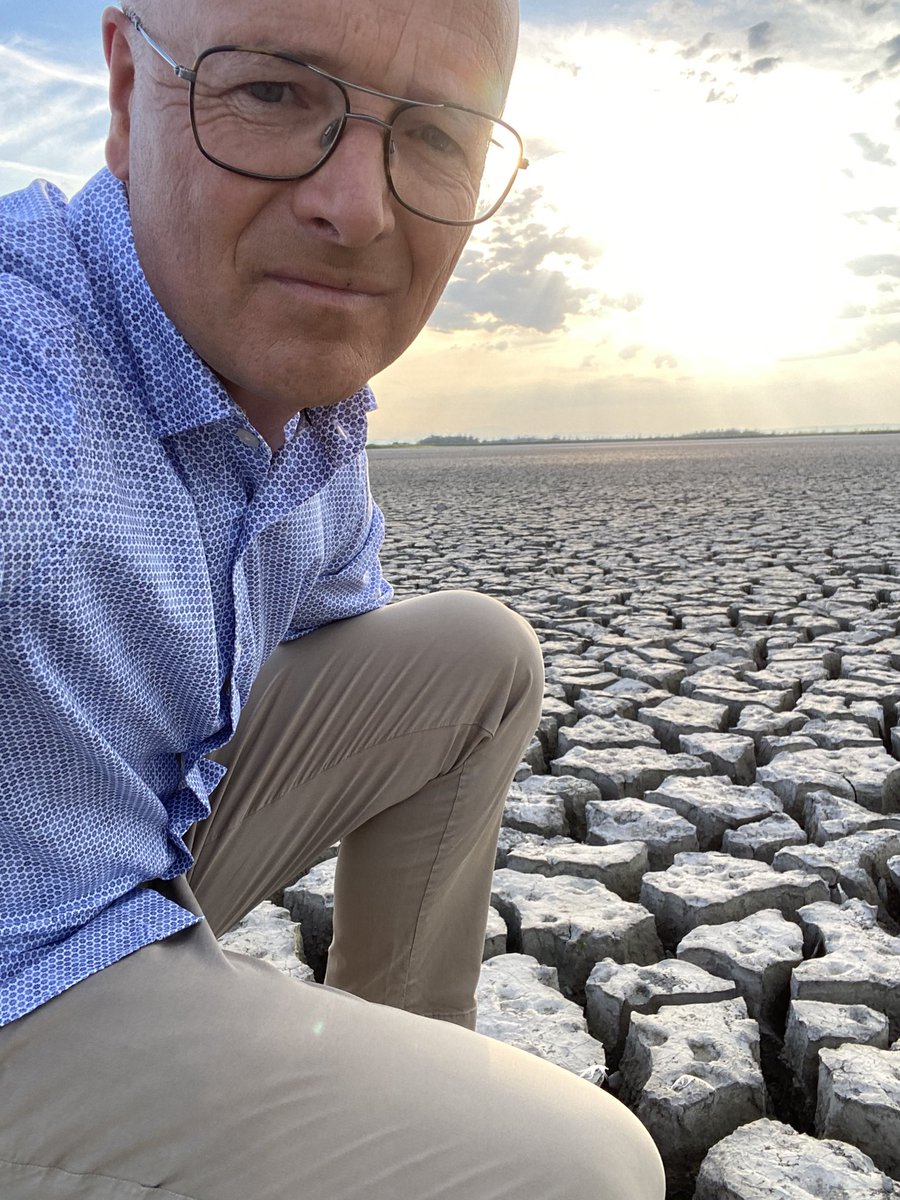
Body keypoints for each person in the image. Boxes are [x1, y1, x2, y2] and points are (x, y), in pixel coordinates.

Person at [0, 0, 666, 1197]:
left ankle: (404, 1053)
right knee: (581, 1170)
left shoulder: (308, 415)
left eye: (436, 135)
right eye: (273, 93)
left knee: (475, 656)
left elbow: (338, 643)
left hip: (112, 844)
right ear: (122, 91)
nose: (356, 207)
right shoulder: (26, 377)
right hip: (22, 965)